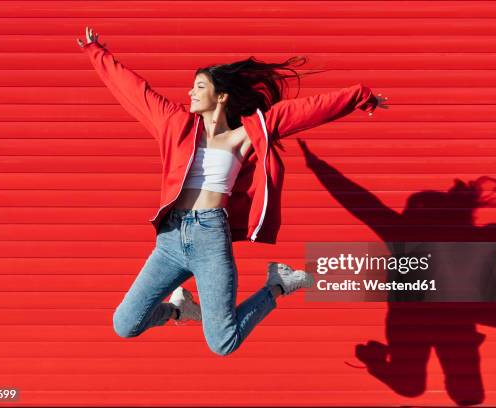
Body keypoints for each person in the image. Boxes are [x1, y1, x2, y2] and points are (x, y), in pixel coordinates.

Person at [77, 26, 388, 356]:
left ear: (220, 95)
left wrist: (358, 96)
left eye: (200, 86)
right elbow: (135, 91)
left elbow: (305, 110)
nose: (191, 92)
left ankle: (278, 285)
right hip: (170, 239)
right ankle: (180, 311)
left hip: (211, 239)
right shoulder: (174, 123)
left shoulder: (246, 134)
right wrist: (97, 53)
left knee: (223, 344)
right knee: (125, 323)